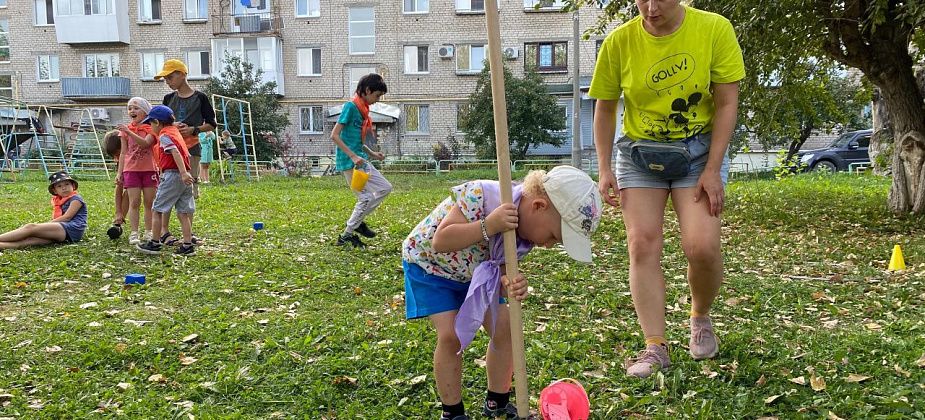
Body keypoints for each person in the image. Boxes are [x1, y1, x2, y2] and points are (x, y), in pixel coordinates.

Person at [588, 0, 745, 378]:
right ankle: (655, 346)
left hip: (697, 153)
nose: (651, 7)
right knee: (641, 242)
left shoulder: (714, 29)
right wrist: (605, 167)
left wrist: (712, 169)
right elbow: (606, 108)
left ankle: (700, 316)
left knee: (701, 246)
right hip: (640, 154)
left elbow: (726, 102)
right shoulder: (619, 42)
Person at [402, 166, 602, 420]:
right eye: (554, 236)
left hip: (477, 274)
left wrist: (510, 280)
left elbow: (502, 264)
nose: (550, 244)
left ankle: (497, 402)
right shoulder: (482, 195)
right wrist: (488, 225)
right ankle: (452, 412)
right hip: (431, 268)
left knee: (506, 326)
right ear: (538, 206)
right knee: (451, 335)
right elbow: (441, 240)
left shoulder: (527, 236)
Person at [331, 73, 392, 248]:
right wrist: (352, 156)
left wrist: (373, 154)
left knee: (385, 188)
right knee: (364, 198)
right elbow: (334, 135)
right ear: (367, 90)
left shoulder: (363, 109)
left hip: (361, 160)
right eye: (377, 95)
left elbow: (357, 142)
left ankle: (357, 222)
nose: (377, 100)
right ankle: (347, 235)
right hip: (349, 162)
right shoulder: (351, 107)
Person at [155, 58, 215, 230]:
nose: (167, 82)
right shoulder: (168, 99)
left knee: (189, 188)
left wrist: (193, 129)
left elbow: (211, 124)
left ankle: (188, 232)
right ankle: (164, 231)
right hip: (168, 150)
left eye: (170, 77)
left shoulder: (200, 98)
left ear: (182, 75)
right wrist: (172, 126)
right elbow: (159, 124)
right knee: (166, 189)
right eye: (165, 79)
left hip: (191, 150)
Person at [135, 105, 196, 256]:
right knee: (183, 212)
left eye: (151, 124)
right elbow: (184, 153)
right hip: (185, 176)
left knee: (157, 210)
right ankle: (187, 245)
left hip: (174, 175)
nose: (150, 127)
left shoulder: (164, 136)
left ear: (157, 122)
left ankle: (155, 243)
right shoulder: (175, 132)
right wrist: (185, 173)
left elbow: (174, 152)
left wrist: (181, 173)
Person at [0, 171, 87, 249]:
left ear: (73, 186)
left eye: (67, 184)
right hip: (64, 232)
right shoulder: (58, 201)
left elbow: (67, 217)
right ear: (55, 191)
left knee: (30, 227)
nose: (64, 188)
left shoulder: (76, 199)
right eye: (59, 186)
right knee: (28, 240)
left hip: (72, 229)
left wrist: (45, 224)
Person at [116, 97, 157, 245]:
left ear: (145, 112)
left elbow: (146, 144)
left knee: (149, 202)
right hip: (131, 170)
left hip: (149, 169)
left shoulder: (151, 128)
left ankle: (149, 231)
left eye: (136, 108)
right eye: (129, 108)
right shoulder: (125, 131)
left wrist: (129, 131)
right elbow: (123, 153)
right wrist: (119, 173)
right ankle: (134, 232)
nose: (132, 111)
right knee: (134, 202)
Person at [102, 131, 129, 240]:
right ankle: (118, 223)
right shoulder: (121, 162)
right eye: (113, 156)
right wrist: (118, 212)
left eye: (117, 155)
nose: (115, 159)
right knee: (128, 191)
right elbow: (119, 187)